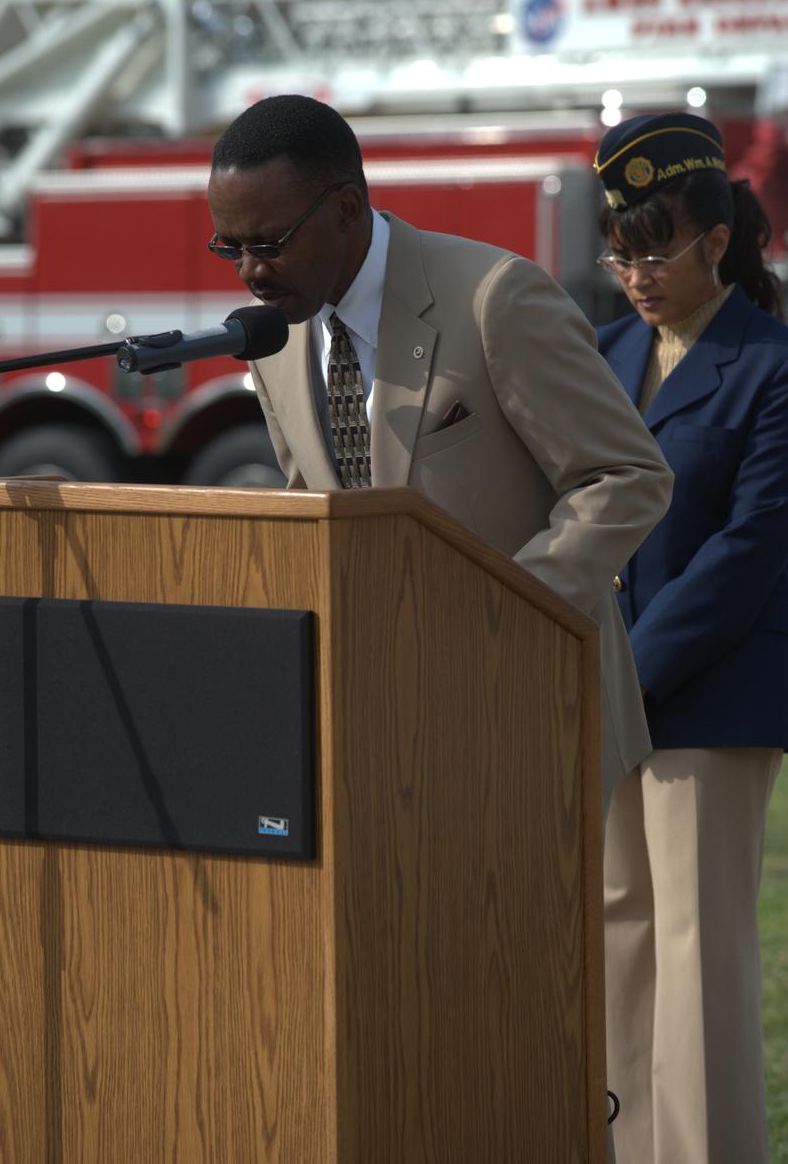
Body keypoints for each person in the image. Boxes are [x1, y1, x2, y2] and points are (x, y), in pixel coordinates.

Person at [206, 94, 673, 810]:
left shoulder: (495, 297)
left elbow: (626, 475)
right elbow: (318, 512)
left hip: (526, 712)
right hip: (382, 733)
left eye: (267, 244)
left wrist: (496, 613)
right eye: (228, 247)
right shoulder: (277, 340)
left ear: (345, 211)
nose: (248, 271)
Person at [594, 111, 788, 1164]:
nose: (634, 275)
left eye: (654, 251)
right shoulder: (607, 347)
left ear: (717, 242)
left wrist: (625, 670)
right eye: (618, 252)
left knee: (696, 946)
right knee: (618, 928)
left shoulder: (773, 364)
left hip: (707, 695)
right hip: (606, 685)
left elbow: (744, 553)